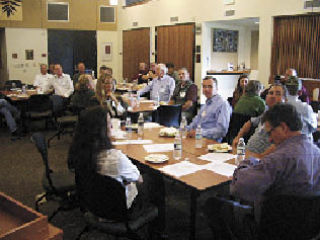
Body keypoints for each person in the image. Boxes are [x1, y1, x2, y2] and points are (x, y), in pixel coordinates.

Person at [204, 103, 320, 240]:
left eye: (270, 132)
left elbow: (240, 189)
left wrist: (248, 162)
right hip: (307, 229)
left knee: (213, 204)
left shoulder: (278, 159)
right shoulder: (316, 152)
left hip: (270, 227)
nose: (269, 139)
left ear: (283, 127)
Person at [69, 106, 166, 237]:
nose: (112, 128)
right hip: (121, 212)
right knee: (155, 179)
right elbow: (139, 179)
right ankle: (157, 232)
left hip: (93, 206)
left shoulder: (79, 152)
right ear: (101, 131)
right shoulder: (114, 158)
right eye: (109, 125)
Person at [232, 84, 287, 159]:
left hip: (262, 159)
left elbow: (279, 144)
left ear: (285, 99)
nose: (273, 96)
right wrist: (238, 136)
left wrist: (260, 157)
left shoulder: (285, 117)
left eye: (278, 94)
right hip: (247, 152)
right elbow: (250, 122)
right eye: (271, 93)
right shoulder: (266, 111)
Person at [187, 76, 232, 142]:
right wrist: (183, 130)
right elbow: (195, 123)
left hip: (211, 142)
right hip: (197, 139)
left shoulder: (223, 104)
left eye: (210, 87)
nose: (206, 89)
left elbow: (221, 131)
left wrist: (200, 133)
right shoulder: (206, 104)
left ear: (216, 88)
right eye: (204, 86)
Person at [285, 76, 316, 140]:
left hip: (284, 144)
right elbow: (314, 127)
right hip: (304, 144)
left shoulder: (279, 107)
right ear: (300, 92)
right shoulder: (306, 108)